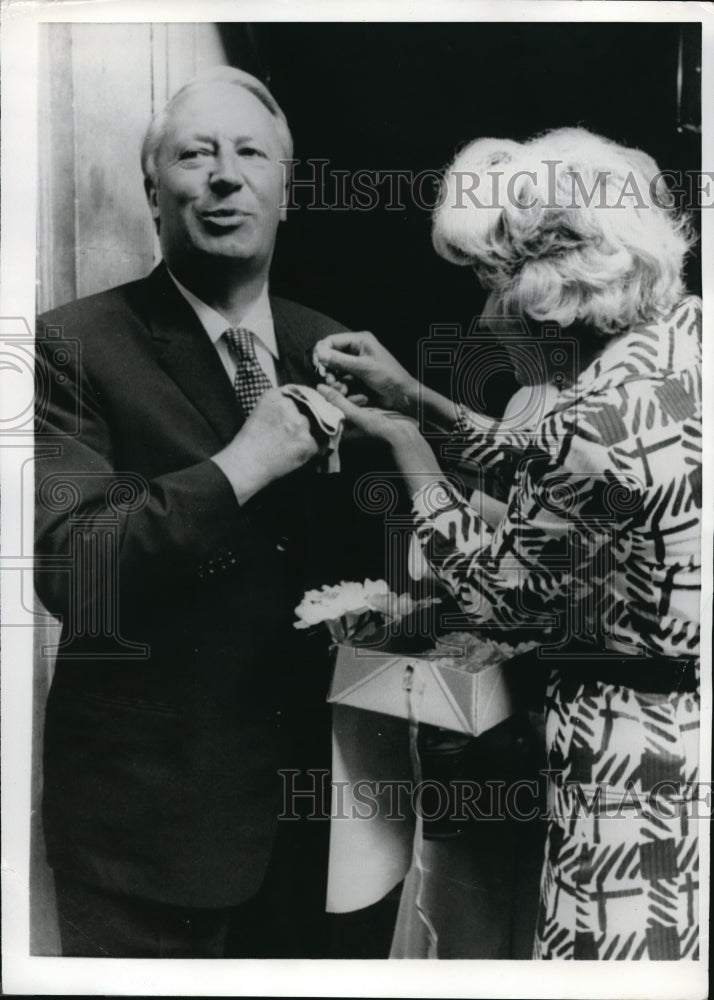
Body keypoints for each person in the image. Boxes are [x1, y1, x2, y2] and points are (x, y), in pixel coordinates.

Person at [315, 128, 702, 960]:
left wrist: (407, 448)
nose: (486, 310)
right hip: (689, 721)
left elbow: (498, 592)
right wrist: (422, 399)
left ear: (550, 284)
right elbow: (579, 477)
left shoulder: (590, 426)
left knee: (619, 962)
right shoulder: (679, 341)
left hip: (630, 757)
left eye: (492, 280)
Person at [34, 65, 367, 958]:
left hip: (317, 827)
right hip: (150, 836)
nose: (225, 175)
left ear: (286, 191)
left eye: (250, 153)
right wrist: (241, 465)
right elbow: (77, 571)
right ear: (153, 191)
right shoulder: (72, 344)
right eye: (195, 155)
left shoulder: (328, 342)